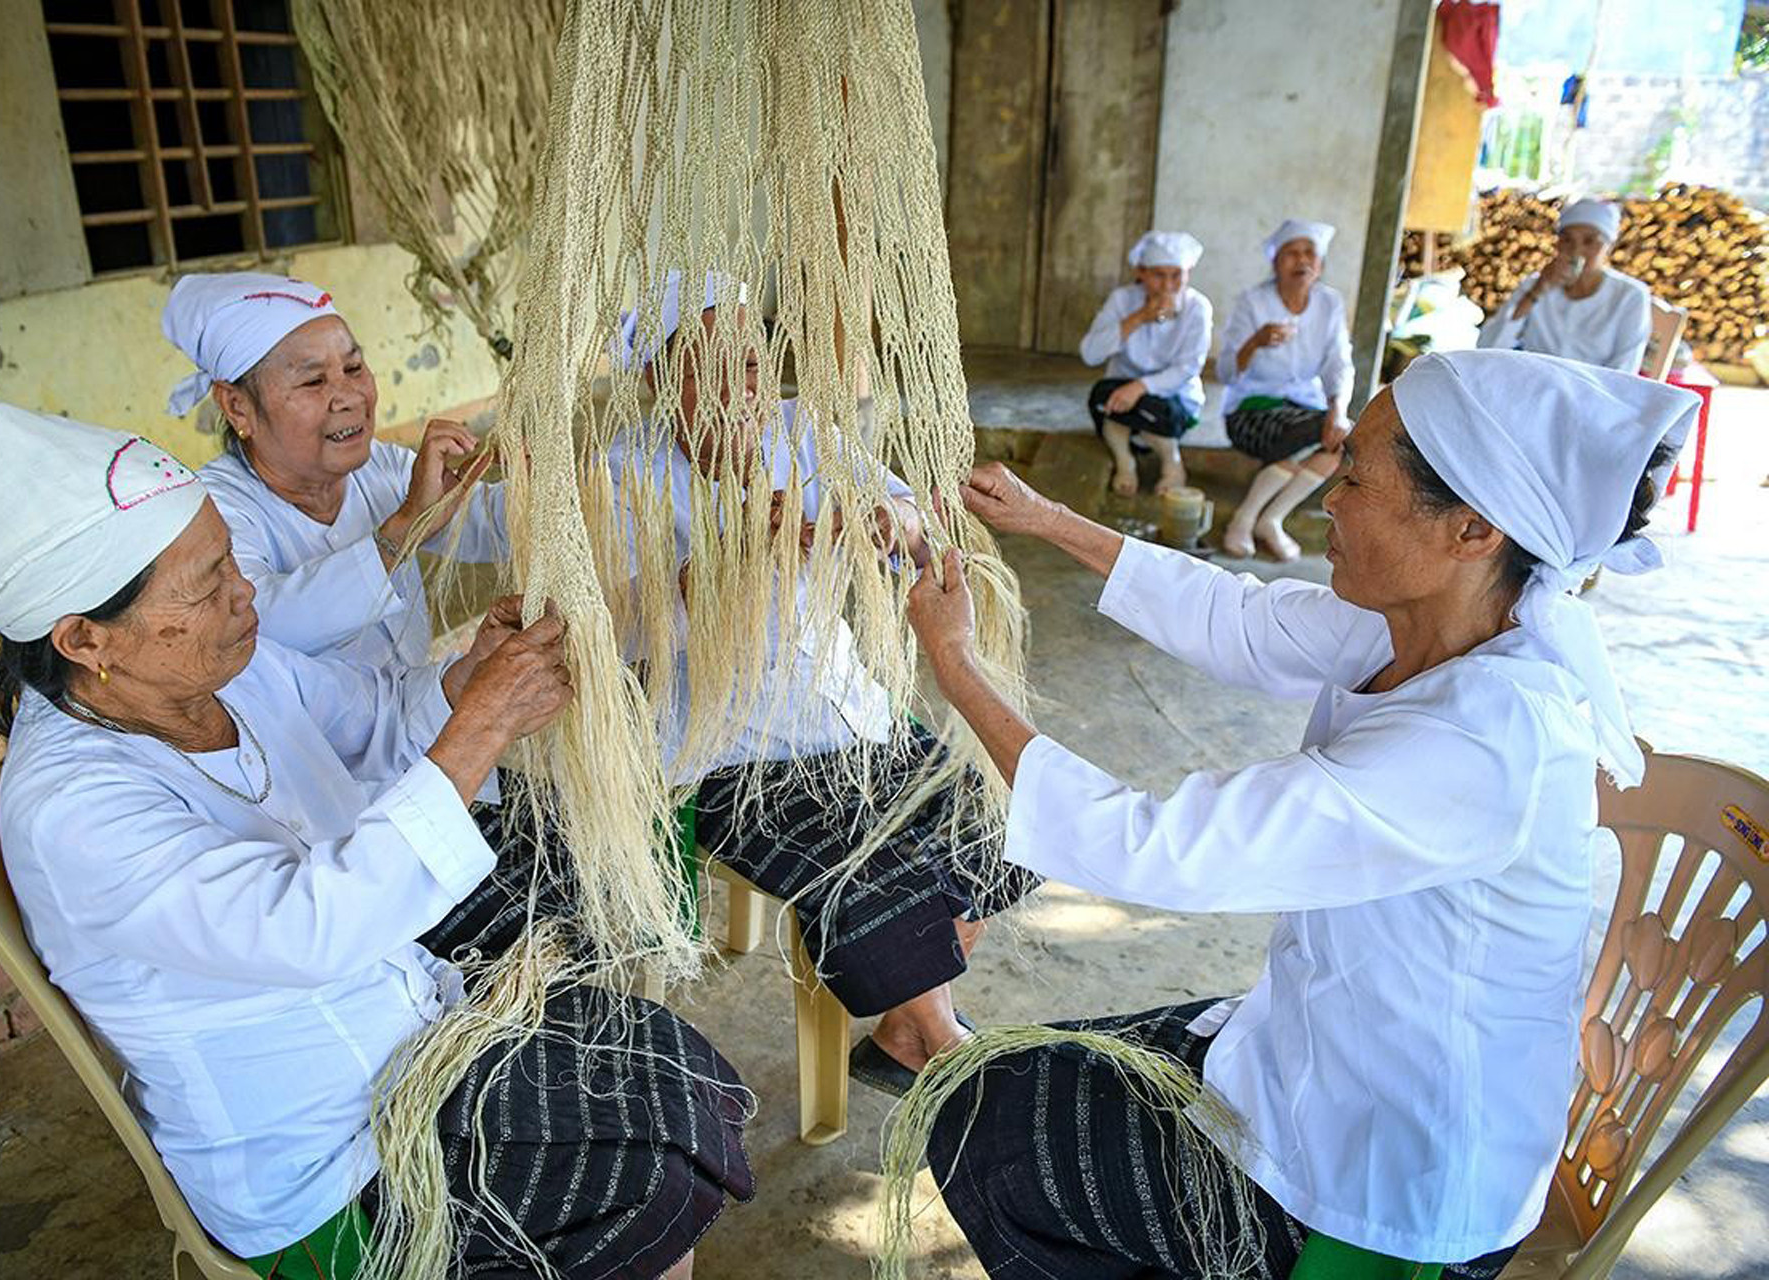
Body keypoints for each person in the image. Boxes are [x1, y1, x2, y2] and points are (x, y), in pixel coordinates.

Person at [900, 350, 1696, 1277]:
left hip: (1390, 1174)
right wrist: (1046, 520)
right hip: (1324, 1051)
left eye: (1356, 473)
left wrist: (956, 666)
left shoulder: (1486, 739)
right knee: (1015, 1070)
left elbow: (1157, 850)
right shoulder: (1433, 625)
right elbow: (1242, 618)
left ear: (1473, 529)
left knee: (983, 1132)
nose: (1331, 496)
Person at [0, 403, 751, 1279]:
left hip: (409, 1046)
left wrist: (469, 678)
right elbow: (304, 927)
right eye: (207, 584)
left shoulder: (223, 667)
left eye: (230, 561)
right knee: (641, 1170)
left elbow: (376, 722)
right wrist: (479, 730)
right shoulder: (71, 809)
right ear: (85, 639)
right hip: (330, 1160)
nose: (245, 592)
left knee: (670, 1073)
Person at [609, 272, 1035, 1094]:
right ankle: (945, 1048)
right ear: (662, 382)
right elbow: (626, 633)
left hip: (850, 711)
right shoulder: (621, 475)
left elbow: (914, 522)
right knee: (866, 871)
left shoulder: (803, 430)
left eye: (754, 354)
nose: (747, 381)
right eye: (712, 361)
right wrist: (740, 556)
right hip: (728, 746)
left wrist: (889, 521)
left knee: (1005, 815)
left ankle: (909, 1027)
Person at [164, 271, 512, 670]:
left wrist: (542, 480)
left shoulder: (383, 468)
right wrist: (404, 528)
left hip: (411, 720)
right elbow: (256, 622)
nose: (348, 397)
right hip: (306, 734)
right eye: (313, 381)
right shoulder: (208, 513)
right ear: (237, 406)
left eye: (353, 368)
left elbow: (488, 526)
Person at [1216, 219, 1355, 560]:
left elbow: (1339, 361)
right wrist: (1255, 342)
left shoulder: (1329, 303)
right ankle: (1244, 519)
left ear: (1320, 265)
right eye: (1291, 253)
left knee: (1339, 438)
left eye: (1310, 253)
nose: (1302, 260)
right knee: (1312, 433)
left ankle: (1268, 519)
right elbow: (1225, 372)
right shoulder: (1253, 302)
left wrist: (1337, 411)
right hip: (1249, 410)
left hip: (1302, 409)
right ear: (1275, 263)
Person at [1077, 231, 1214, 498]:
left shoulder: (1198, 307)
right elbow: (1090, 354)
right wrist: (1138, 317)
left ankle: (1171, 462)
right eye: (1158, 275)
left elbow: (1188, 368)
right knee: (1101, 398)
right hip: (1120, 391)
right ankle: (1125, 461)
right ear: (1141, 272)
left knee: (1160, 411)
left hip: (1173, 398)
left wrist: (1140, 387)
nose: (1168, 285)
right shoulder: (1123, 300)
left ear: (1189, 273)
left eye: (1177, 275)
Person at [1478, 198, 1652, 374]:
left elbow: (1624, 370)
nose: (1576, 251)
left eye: (1589, 241)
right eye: (1567, 240)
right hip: (1535, 384)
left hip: (1593, 395)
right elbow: (1489, 347)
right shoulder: (1535, 285)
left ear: (1609, 246)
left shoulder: (1630, 296)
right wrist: (1537, 291)